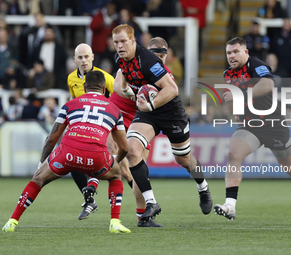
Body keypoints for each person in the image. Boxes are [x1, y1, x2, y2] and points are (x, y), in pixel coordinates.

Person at [213, 37, 291, 224]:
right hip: (250, 124)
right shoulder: (228, 74)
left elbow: (268, 85)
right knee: (233, 154)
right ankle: (230, 205)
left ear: (246, 52)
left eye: (236, 51)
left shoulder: (256, 64)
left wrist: (241, 95)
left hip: (273, 124)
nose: (232, 56)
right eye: (229, 53)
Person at [2, 71, 131, 233]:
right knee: (115, 175)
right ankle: (115, 222)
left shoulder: (70, 105)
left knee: (38, 179)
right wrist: (115, 161)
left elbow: (51, 139)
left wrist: (41, 164)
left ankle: (12, 221)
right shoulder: (114, 110)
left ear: (84, 87)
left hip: (66, 153)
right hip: (96, 156)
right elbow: (124, 147)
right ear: (104, 89)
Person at [112, 24, 213, 221]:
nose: (119, 46)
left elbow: (173, 89)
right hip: (148, 113)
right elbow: (120, 82)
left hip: (171, 113)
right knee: (132, 150)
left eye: (123, 41)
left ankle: (203, 187)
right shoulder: (122, 59)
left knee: (183, 160)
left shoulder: (149, 62)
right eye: (116, 42)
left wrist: (150, 104)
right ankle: (151, 203)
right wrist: (130, 94)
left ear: (133, 41)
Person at [68, 43, 138, 221]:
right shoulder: (71, 79)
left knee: (122, 168)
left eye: (86, 57)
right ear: (75, 60)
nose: (83, 61)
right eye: (80, 58)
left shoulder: (104, 77)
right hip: (84, 127)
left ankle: (146, 203)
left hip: (106, 127)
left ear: (92, 57)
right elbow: (74, 101)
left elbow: (122, 95)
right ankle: (89, 200)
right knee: (73, 162)